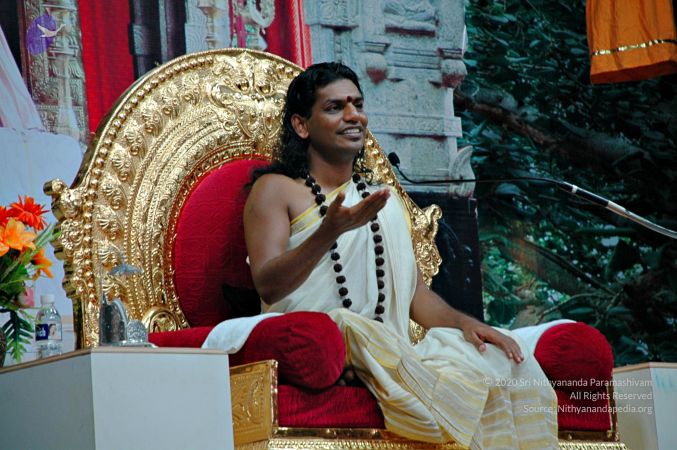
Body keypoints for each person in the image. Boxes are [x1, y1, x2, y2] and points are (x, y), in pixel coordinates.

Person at [243, 62, 558, 449]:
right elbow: (269, 285)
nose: (353, 116)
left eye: (358, 104)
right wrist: (329, 231)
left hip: (388, 347)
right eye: (335, 107)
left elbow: (415, 296)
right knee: (348, 326)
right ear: (301, 125)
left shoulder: (383, 200)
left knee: (504, 360)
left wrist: (466, 324)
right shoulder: (276, 190)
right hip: (322, 341)